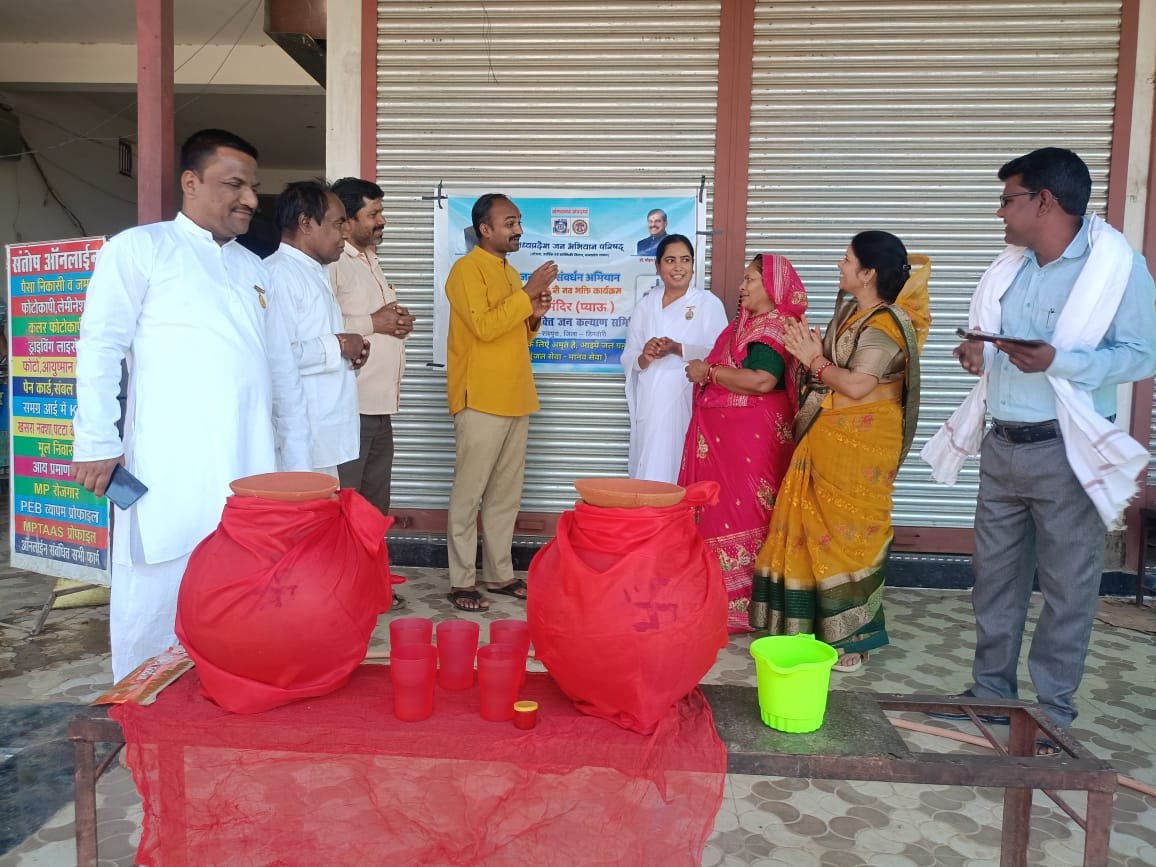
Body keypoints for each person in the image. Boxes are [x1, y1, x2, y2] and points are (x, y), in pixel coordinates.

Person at [921, 147, 1156, 743]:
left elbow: (1141, 353)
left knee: (1067, 587)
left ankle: (1051, 709)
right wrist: (978, 353)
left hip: (1065, 451)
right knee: (993, 579)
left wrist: (1062, 361)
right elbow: (995, 348)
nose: (1001, 213)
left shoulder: (1114, 268)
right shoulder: (1012, 268)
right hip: (1002, 445)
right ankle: (990, 694)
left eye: (1008, 199)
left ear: (1044, 201)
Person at [71, 129, 311, 681]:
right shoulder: (141, 248)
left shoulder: (253, 269)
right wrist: (97, 441)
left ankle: (222, 709)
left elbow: (280, 373)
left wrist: (297, 468)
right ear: (190, 182)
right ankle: (145, 721)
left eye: (253, 187)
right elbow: (100, 346)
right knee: (159, 593)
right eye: (234, 184)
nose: (250, 199)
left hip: (248, 467)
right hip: (169, 464)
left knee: (243, 593)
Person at [750, 231, 930, 672]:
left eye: (847, 260)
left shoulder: (885, 324)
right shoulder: (852, 313)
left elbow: (855, 384)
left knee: (848, 541)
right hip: (825, 440)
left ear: (868, 273)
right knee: (813, 533)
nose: (839, 265)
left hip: (860, 453)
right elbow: (828, 375)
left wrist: (813, 359)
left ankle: (851, 640)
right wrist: (804, 356)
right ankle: (810, 627)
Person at [679, 253, 807, 632]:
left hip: (753, 445)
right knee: (725, 511)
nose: (742, 287)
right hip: (730, 444)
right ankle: (723, 597)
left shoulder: (773, 328)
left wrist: (709, 372)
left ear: (772, 288)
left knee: (750, 512)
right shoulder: (747, 325)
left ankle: (748, 604)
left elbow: (762, 381)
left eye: (750, 280)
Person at [444, 193, 554, 611]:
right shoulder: (465, 270)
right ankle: (460, 581)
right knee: (469, 494)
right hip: (480, 396)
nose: (518, 229)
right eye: (509, 222)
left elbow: (517, 334)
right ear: (485, 229)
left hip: (515, 394)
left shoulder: (509, 272)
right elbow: (486, 327)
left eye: (519, 221)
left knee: (506, 495)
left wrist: (534, 313)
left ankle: (499, 574)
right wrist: (527, 294)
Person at [265, 180, 366, 476]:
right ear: (306, 223)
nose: (345, 233)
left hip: (320, 438)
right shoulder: (279, 274)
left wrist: (352, 353)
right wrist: (339, 345)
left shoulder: (314, 272)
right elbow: (276, 357)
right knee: (302, 519)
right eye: (338, 224)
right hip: (298, 440)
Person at [330, 177, 414, 515]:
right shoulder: (334, 263)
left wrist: (398, 324)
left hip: (380, 410)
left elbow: (379, 322)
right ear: (347, 221)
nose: (382, 221)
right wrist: (374, 323)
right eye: (373, 213)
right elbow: (322, 330)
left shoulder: (369, 261)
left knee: (375, 508)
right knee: (347, 507)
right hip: (352, 408)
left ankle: (371, 569)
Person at [621, 234, 727, 483]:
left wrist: (678, 348)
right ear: (658, 266)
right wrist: (645, 356)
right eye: (670, 260)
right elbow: (629, 357)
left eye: (685, 260)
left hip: (688, 398)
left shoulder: (708, 303)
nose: (678, 267)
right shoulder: (645, 306)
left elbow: (721, 354)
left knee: (683, 463)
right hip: (652, 399)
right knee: (652, 466)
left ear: (693, 265)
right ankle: (653, 519)